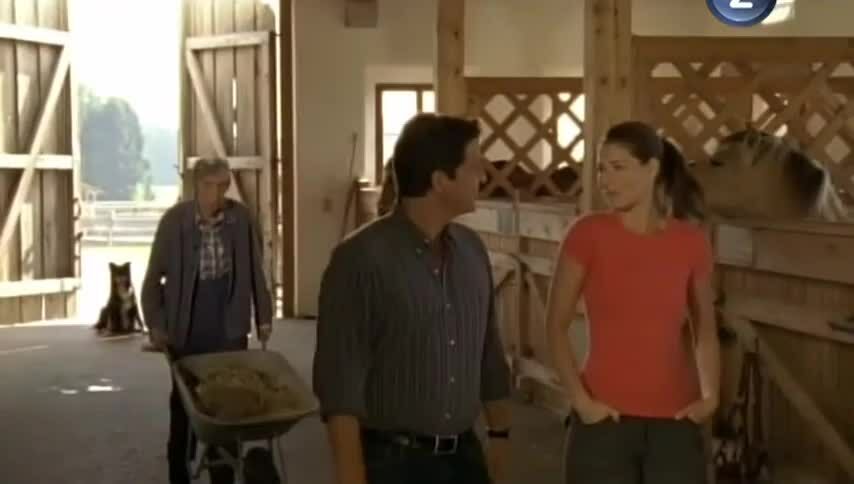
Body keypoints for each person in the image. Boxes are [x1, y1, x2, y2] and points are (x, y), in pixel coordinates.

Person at [313, 113, 513, 484]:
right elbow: (339, 385)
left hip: (465, 458)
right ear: (440, 181)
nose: (484, 177)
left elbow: (489, 352)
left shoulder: (472, 251)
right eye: (474, 166)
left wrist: (500, 438)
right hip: (393, 462)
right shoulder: (359, 260)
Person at [545, 121, 720, 484]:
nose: (606, 181)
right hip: (603, 418)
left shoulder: (690, 242)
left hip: (676, 422)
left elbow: (704, 328)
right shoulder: (588, 233)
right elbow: (555, 326)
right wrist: (581, 402)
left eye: (618, 167)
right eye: (601, 169)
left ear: (652, 168)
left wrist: (710, 396)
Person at [141, 157, 274, 484]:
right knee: (185, 405)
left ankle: (222, 475)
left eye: (221, 186)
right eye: (208, 186)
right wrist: (156, 324)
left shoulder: (240, 219)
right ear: (195, 186)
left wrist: (264, 317)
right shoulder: (174, 222)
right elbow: (152, 280)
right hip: (186, 327)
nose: (215, 194)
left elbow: (255, 271)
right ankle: (179, 472)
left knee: (227, 406)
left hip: (228, 326)